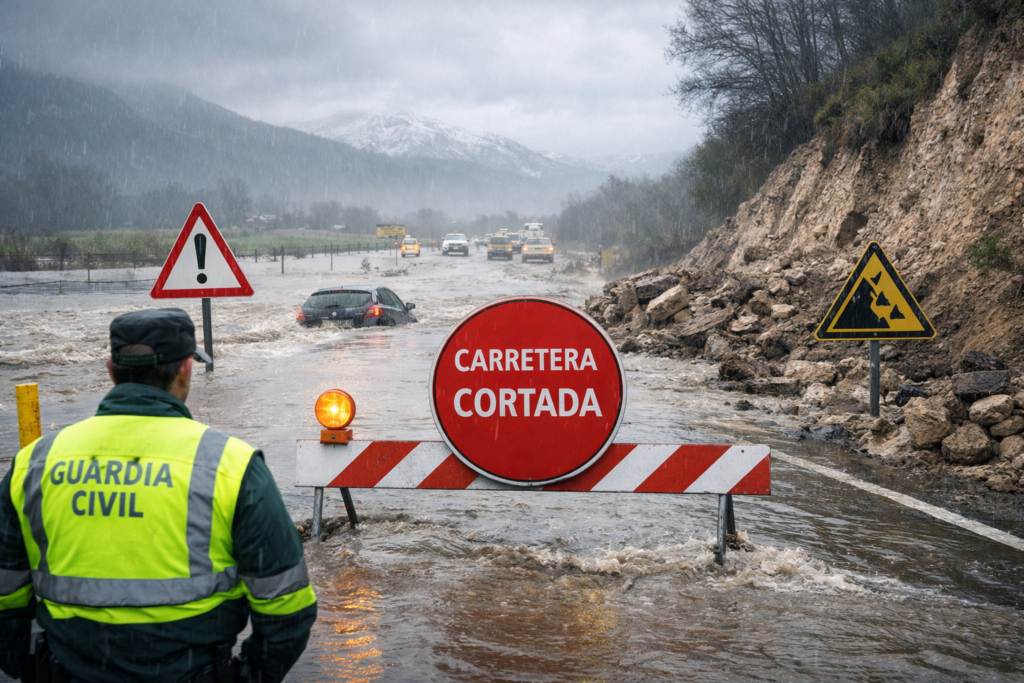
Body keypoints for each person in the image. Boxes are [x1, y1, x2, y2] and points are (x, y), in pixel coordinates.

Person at [0, 308, 316, 682]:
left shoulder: (34, 463)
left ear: (110, 369)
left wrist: (32, 669)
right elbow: (286, 607)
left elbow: (6, 596)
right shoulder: (231, 465)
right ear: (186, 368)